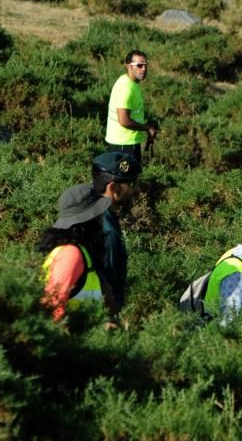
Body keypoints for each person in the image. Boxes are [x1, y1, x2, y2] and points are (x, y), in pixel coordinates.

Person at [39, 184, 115, 323]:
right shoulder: (71, 254)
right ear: (88, 220)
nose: (102, 217)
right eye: (98, 213)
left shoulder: (81, 252)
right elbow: (52, 308)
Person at [90, 150, 143, 315]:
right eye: (132, 184)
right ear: (113, 188)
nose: (137, 190)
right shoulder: (107, 231)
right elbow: (108, 286)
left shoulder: (92, 211)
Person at [105, 50, 158, 161]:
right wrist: (146, 128)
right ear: (129, 66)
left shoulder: (133, 84)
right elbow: (124, 120)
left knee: (129, 177)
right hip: (123, 145)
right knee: (123, 178)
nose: (144, 69)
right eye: (139, 65)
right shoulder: (125, 87)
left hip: (128, 143)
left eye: (145, 65)